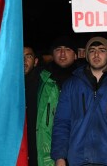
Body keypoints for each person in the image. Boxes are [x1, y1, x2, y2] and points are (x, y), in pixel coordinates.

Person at [51, 36, 107, 165]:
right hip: (80, 159)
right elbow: (62, 122)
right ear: (87, 55)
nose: (96, 54)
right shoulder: (72, 85)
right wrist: (59, 156)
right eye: (92, 50)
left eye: (102, 50)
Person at [37, 35, 78, 166]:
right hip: (46, 150)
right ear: (52, 54)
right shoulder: (41, 80)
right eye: (58, 49)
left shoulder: (85, 80)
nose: (62, 53)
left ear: (76, 55)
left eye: (67, 49)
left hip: (78, 150)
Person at [24, 45, 43, 166]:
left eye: (28, 56)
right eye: (19, 57)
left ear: (35, 62)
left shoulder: (45, 85)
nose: (23, 61)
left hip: (37, 149)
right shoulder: (5, 86)